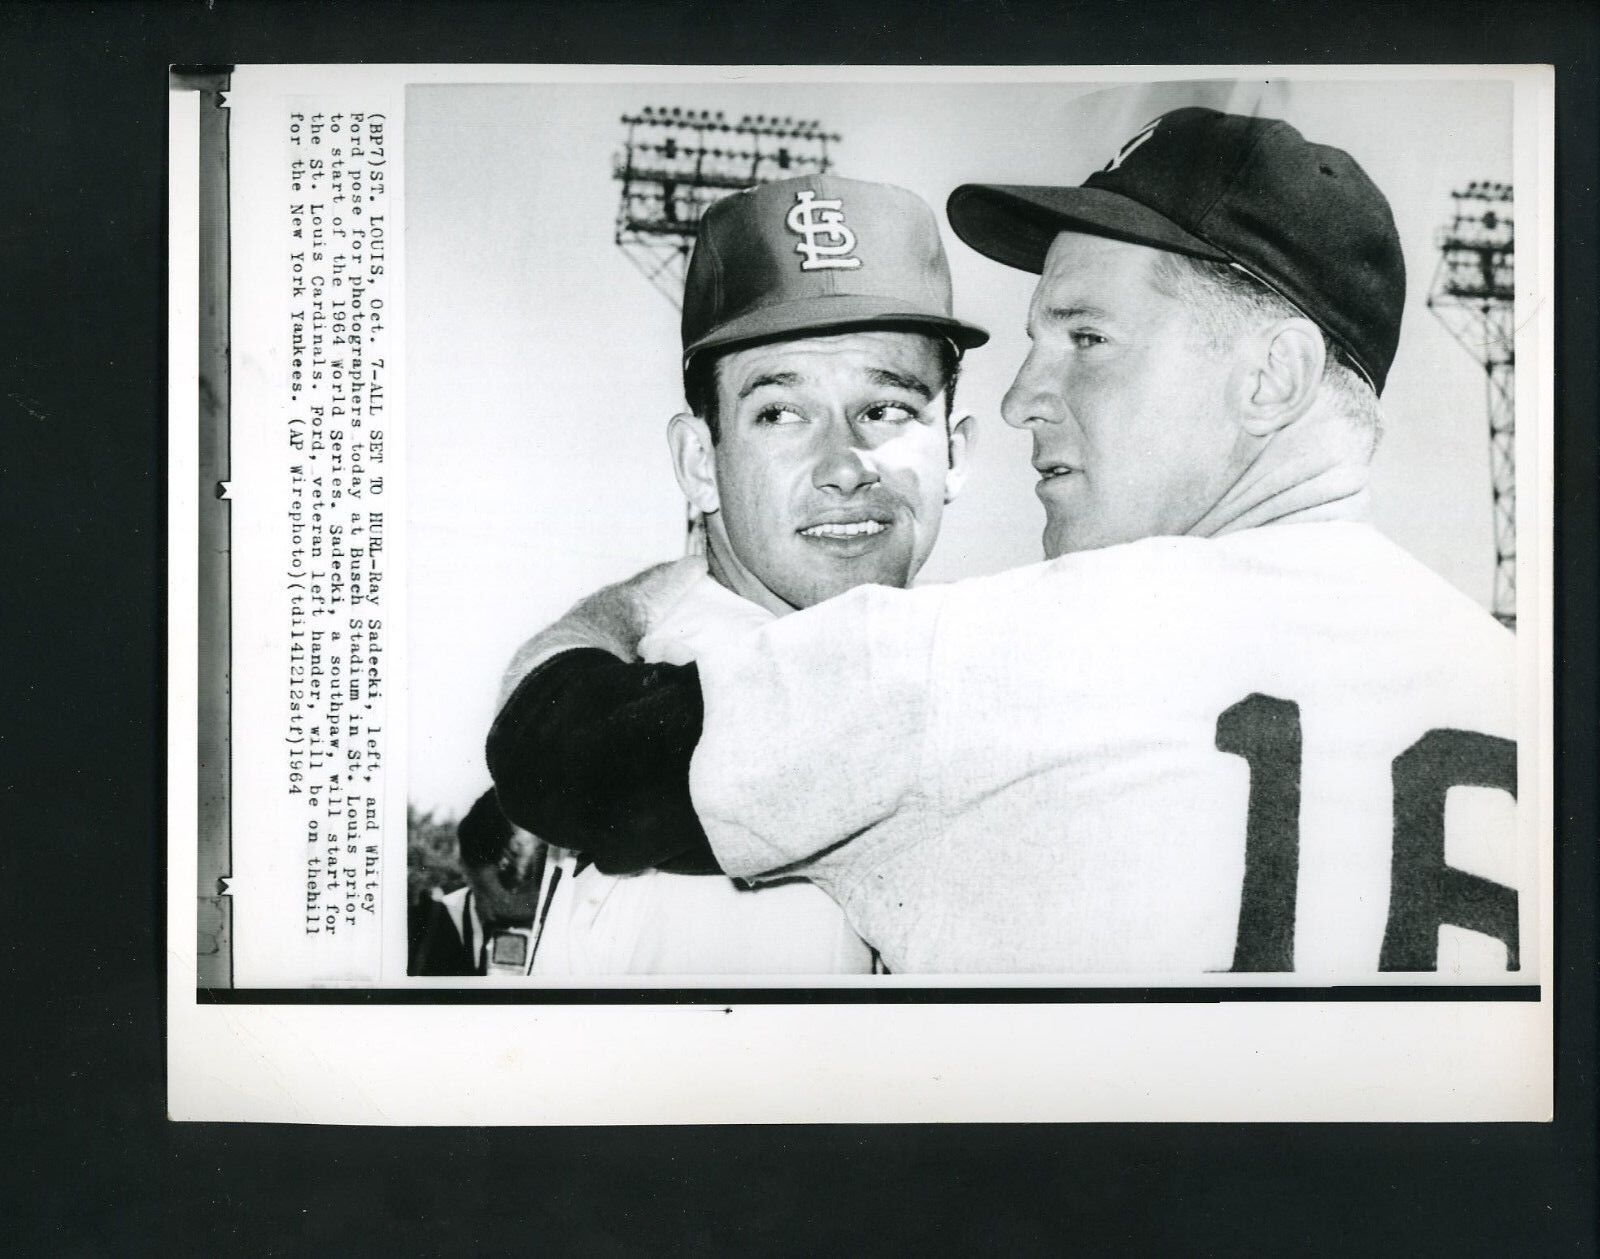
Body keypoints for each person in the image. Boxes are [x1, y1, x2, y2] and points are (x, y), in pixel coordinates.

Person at [490, 108, 1523, 977]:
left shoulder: (1011, 654)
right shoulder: (1523, 691)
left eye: (1085, 337)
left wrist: (637, 603)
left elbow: (563, 751)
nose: (1030, 394)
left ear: (1271, 377)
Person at [497, 172, 988, 975]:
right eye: (780, 413)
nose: (844, 466)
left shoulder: (651, 668)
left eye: (887, 408)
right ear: (700, 462)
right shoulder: (720, 854)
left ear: (954, 453)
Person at [408, 787, 547, 976]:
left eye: (526, 917)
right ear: (467, 870)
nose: (510, 930)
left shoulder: (583, 929)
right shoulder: (431, 927)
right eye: (485, 899)